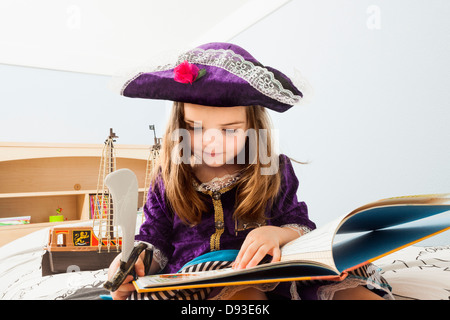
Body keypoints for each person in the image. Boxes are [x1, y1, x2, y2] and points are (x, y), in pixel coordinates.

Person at [107, 42, 393, 300]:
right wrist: (134, 261)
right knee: (244, 292)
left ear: (251, 128)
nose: (211, 140)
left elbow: (300, 224)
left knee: (349, 287)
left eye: (229, 130)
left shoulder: (274, 170)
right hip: (198, 281)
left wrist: (278, 234)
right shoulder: (167, 180)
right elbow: (155, 241)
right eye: (195, 128)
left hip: (269, 275)